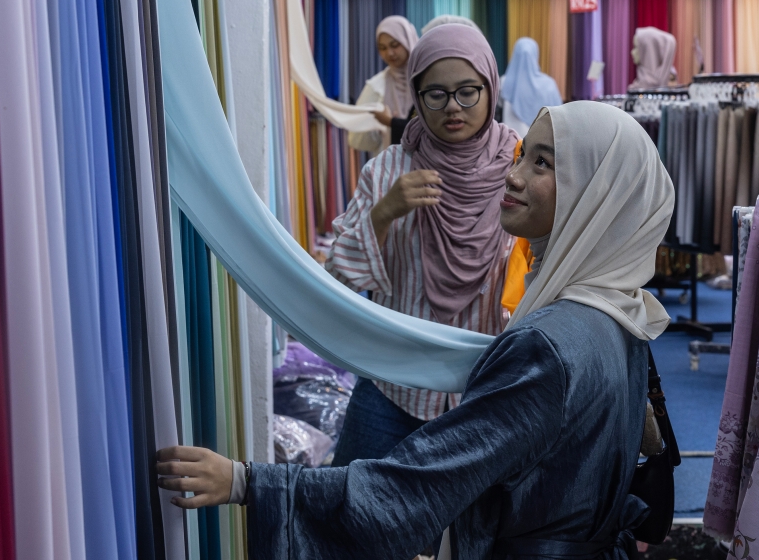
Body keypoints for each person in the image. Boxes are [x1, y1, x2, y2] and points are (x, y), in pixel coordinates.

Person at [156, 101, 676, 560]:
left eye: (543, 163)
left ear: (599, 194)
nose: (514, 176)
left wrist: (247, 482)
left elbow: (417, 486)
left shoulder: (547, 346)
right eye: (521, 155)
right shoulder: (619, 313)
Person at [328, 23, 518, 469]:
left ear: (490, 88)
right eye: (436, 94)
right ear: (416, 94)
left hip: (486, 387)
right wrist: (383, 213)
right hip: (394, 383)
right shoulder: (388, 170)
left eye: (467, 91)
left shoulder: (520, 167)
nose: (452, 107)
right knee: (353, 502)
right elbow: (337, 276)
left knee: (476, 514)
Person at [348, 15, 419, 155]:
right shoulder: (376, 85)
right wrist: (377, 130)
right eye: (382, 48)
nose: (389, 53)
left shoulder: (426, 79)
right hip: (390, 165)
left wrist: (390, 122)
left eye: (395, 45)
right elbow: (356, 139)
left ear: (408, 40)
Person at [499, 37, 563, 138]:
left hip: (511, 140)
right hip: (541, 140)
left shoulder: (504, 82)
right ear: (535, 55)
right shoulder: (549, 84)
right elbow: (559, 116)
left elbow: (498, 106)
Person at [627, 27, 677, 91]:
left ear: (649, 50)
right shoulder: (637, 87)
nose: (632, 52)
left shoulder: (671, 87)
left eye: (636, 47)